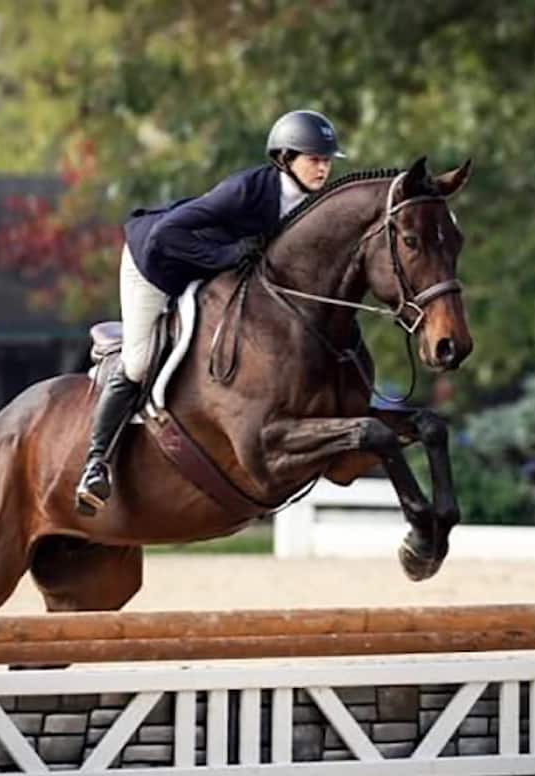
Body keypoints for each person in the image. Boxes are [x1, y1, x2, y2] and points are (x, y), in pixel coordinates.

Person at [75, 109, 346, 514]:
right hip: (154, 264)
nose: (323, 168)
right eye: (314, 159)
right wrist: (229, 254)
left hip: (206, 269)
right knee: (138, 361)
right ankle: (96, 464)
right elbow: (168, 235)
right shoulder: (246, 190)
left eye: (326, 160)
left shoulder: (309, 203)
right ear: (285, 158)